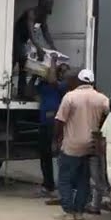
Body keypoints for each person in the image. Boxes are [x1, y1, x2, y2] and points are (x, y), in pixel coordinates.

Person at [54, 69, 111, 220]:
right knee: (83, 180)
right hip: (90, 145)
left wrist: (56, 140)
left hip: (72, 145)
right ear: (91, 82)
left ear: (78, 81)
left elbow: (60, 121)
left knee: (64, 179)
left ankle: (68, 212)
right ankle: (79, 212)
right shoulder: (101, 98)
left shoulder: (70, 97)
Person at [35, 63, 68, 202]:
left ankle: (62, 187)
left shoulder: (61, 86)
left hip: (55, 124)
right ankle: (48, 185)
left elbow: (54, 81)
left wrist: (53, 62)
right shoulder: (43, 85)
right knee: (45, 155)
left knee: (59, 156)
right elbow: (31, 91)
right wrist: (37, 76)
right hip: (44, 123)